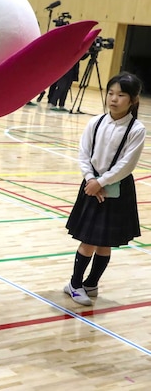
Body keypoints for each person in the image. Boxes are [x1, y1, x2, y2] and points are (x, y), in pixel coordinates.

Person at [64, 72, 145, 306]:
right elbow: (83, 153)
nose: (114, 99)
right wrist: (91, 180)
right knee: (88, 240)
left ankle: (91, 283)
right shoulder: (95, 122)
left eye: (121, 95)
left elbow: (126, 165)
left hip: (116, 188)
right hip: (91, 185)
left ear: (133, 100)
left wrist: (102, 182)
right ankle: (75, 283)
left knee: (104, 241)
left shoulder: (136, 129)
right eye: (111, 93)